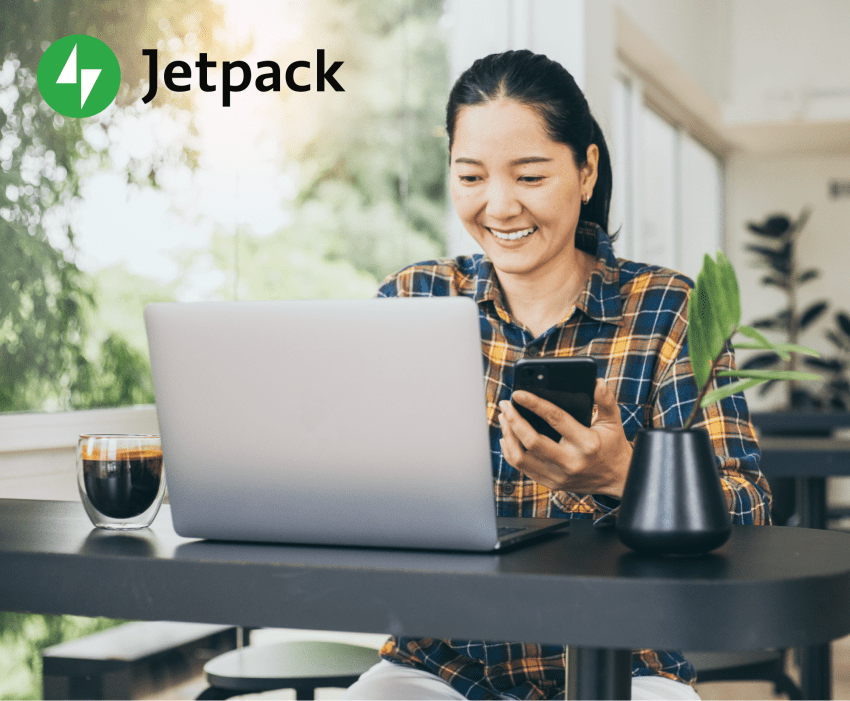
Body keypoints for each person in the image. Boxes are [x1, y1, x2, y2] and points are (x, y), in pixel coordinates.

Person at [343, 49, 771, 701]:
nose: (500, 205)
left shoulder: (666, 310)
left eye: (531, 176)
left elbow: (753, 512)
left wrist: (624, 474)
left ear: (586, 170)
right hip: (440, 665)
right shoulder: (413, 299)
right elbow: (349, 474)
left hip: (626, 661)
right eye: (471, 175)